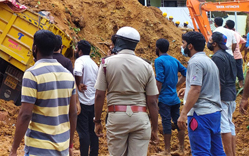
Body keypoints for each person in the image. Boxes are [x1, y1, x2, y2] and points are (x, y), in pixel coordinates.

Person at [10, 30, 78, 156]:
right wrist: (70, 145)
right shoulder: (68, 75)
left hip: (39, 149)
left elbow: (25, 114)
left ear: (35, 48)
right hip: (62, 148)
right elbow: (73, 113)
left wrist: (14, 149)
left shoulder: (32, 74)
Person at [94, 26, 159, 156]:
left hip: (116, 116)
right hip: (140, 117)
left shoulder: (106, 63)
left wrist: (97, 121)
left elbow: (99, 95)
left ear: (118, 41)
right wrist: (155, 128)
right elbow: (152, 101)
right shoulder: (146, 66)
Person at [177, 31, 224, 156]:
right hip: (214, 113)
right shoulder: (209, 61)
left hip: (200, 114)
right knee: (217, 151)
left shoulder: (195, 62)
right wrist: (188, 90)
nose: (182, 46)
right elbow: (214, 86)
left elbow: (196, 89)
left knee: (200, 152)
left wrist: (183, 114)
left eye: (183, 43)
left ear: (190, 46)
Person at [154, 38, 186, 156]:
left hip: (164, 98)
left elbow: (160, 79)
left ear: (158, 48)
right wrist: (175, 85)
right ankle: (181, 149)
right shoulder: (174, 60)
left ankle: (167, 151)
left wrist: (156, 97)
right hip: (174, 98)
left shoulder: (159, 61)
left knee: (166, 122)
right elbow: (185, 73)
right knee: (178, 122)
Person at [209, 32, 237, 156]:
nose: (208, 42)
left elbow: (218, 81)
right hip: (231, 95)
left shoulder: (217, 57)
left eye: (210, 40)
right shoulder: (230, 56)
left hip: (223, 97)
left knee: (224, 128)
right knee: (230, 126)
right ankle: (233, 153)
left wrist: (214, 99)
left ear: (215, 43)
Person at [74, 40, 99, 156]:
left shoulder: (80, 61)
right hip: (92, 102)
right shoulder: (94, 64)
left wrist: (78, 83)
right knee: (93, 131)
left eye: (76, 49)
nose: (75, 51)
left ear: (80, 51)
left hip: (82, 102)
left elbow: (77, 71)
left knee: (83, 132)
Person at [225, 20, 246, 88]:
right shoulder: (237, 33)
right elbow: (244, 42)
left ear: (226, 26)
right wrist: (240, 50)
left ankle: (232, 85)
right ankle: (240, 85)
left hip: (229, 56)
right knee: (239, 71)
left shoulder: (227, 33)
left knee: (230, 71)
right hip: (237, 55)